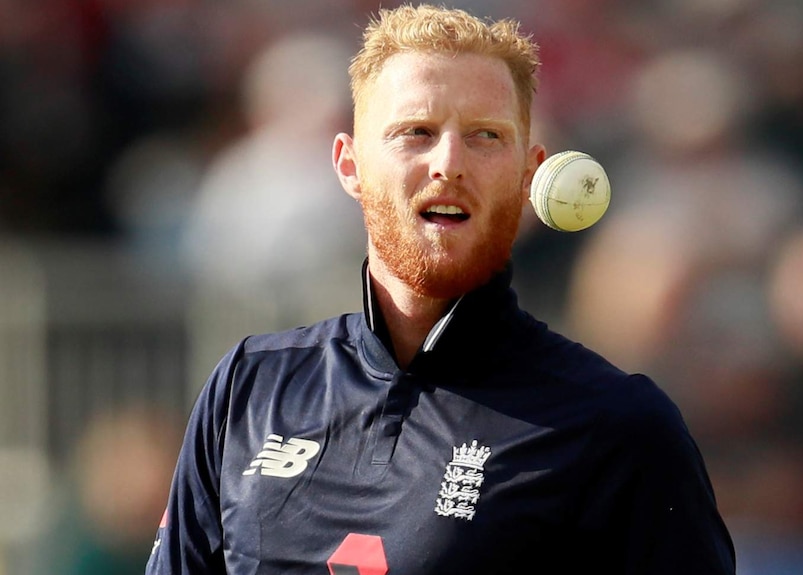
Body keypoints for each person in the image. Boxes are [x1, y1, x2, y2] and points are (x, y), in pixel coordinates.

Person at [145, 4, 736, 574]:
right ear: (350, 166)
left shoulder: (618, 426)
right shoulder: (248, 388)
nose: (449, 161)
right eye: (416, 132)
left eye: (484, 136)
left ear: (529, 175)